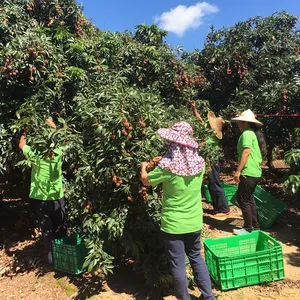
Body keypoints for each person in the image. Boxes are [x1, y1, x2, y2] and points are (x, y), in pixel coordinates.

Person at [140, 121, 215, 300]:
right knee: (196, 257)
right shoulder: (200, 164)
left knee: (178, 264)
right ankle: (208, 296)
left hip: (173, 224)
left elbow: (146, 181)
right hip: (195, 221)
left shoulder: (167, 167)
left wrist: (144, 165)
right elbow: (183, 162)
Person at [18, 118, 66, 266]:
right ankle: (63, 259)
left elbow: (22, 145)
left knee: (47, 231)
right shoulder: (58, 152)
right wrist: (50, 123)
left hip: (41, 199)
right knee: (60, 228)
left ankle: (52, 262)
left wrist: (26, 130)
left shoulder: (36, 156)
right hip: (58, 197)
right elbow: (62, 136)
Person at [190, 100, 230, 217]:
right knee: (212, 182)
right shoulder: (206, 128)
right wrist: (194, 109)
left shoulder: (212, 137)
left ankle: (224, 208)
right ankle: (218, 207)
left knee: (214, 182)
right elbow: (199, 119)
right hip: (207, 160)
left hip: (212, 161)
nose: (206, 122)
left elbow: (203, 145)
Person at [231, 109, 267, 232]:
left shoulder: (247, 134)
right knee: (249, 199)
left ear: (245, 123)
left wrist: (238, 170)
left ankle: (248, 228)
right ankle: (255, 226)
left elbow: (246, 152)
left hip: (248, 172)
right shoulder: (252, 134)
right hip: (255, 172)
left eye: (240, 123)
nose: (238, 125)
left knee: (243, 199)